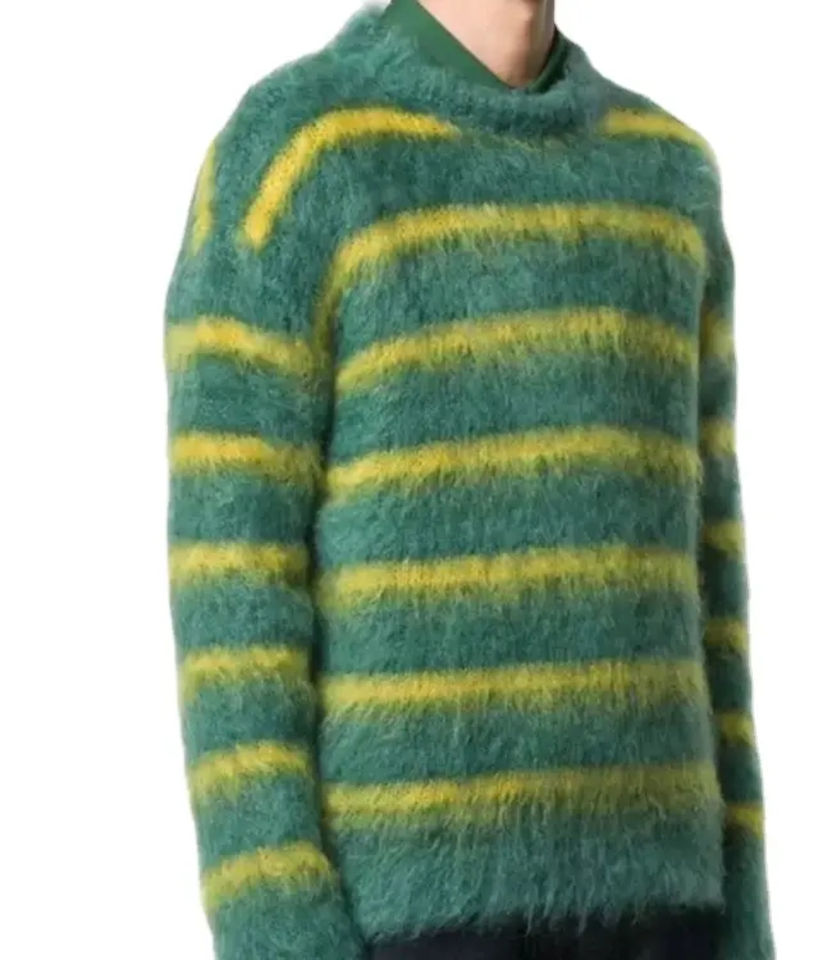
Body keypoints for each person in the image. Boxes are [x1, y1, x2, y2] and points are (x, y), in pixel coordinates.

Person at [163, 1, 776, 958]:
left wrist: (745, 923)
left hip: (668, 914)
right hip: (407, 927)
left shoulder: (668, 176)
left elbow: (712, 580)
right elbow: (231, 584)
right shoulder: (298, 158)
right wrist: (279, 933)